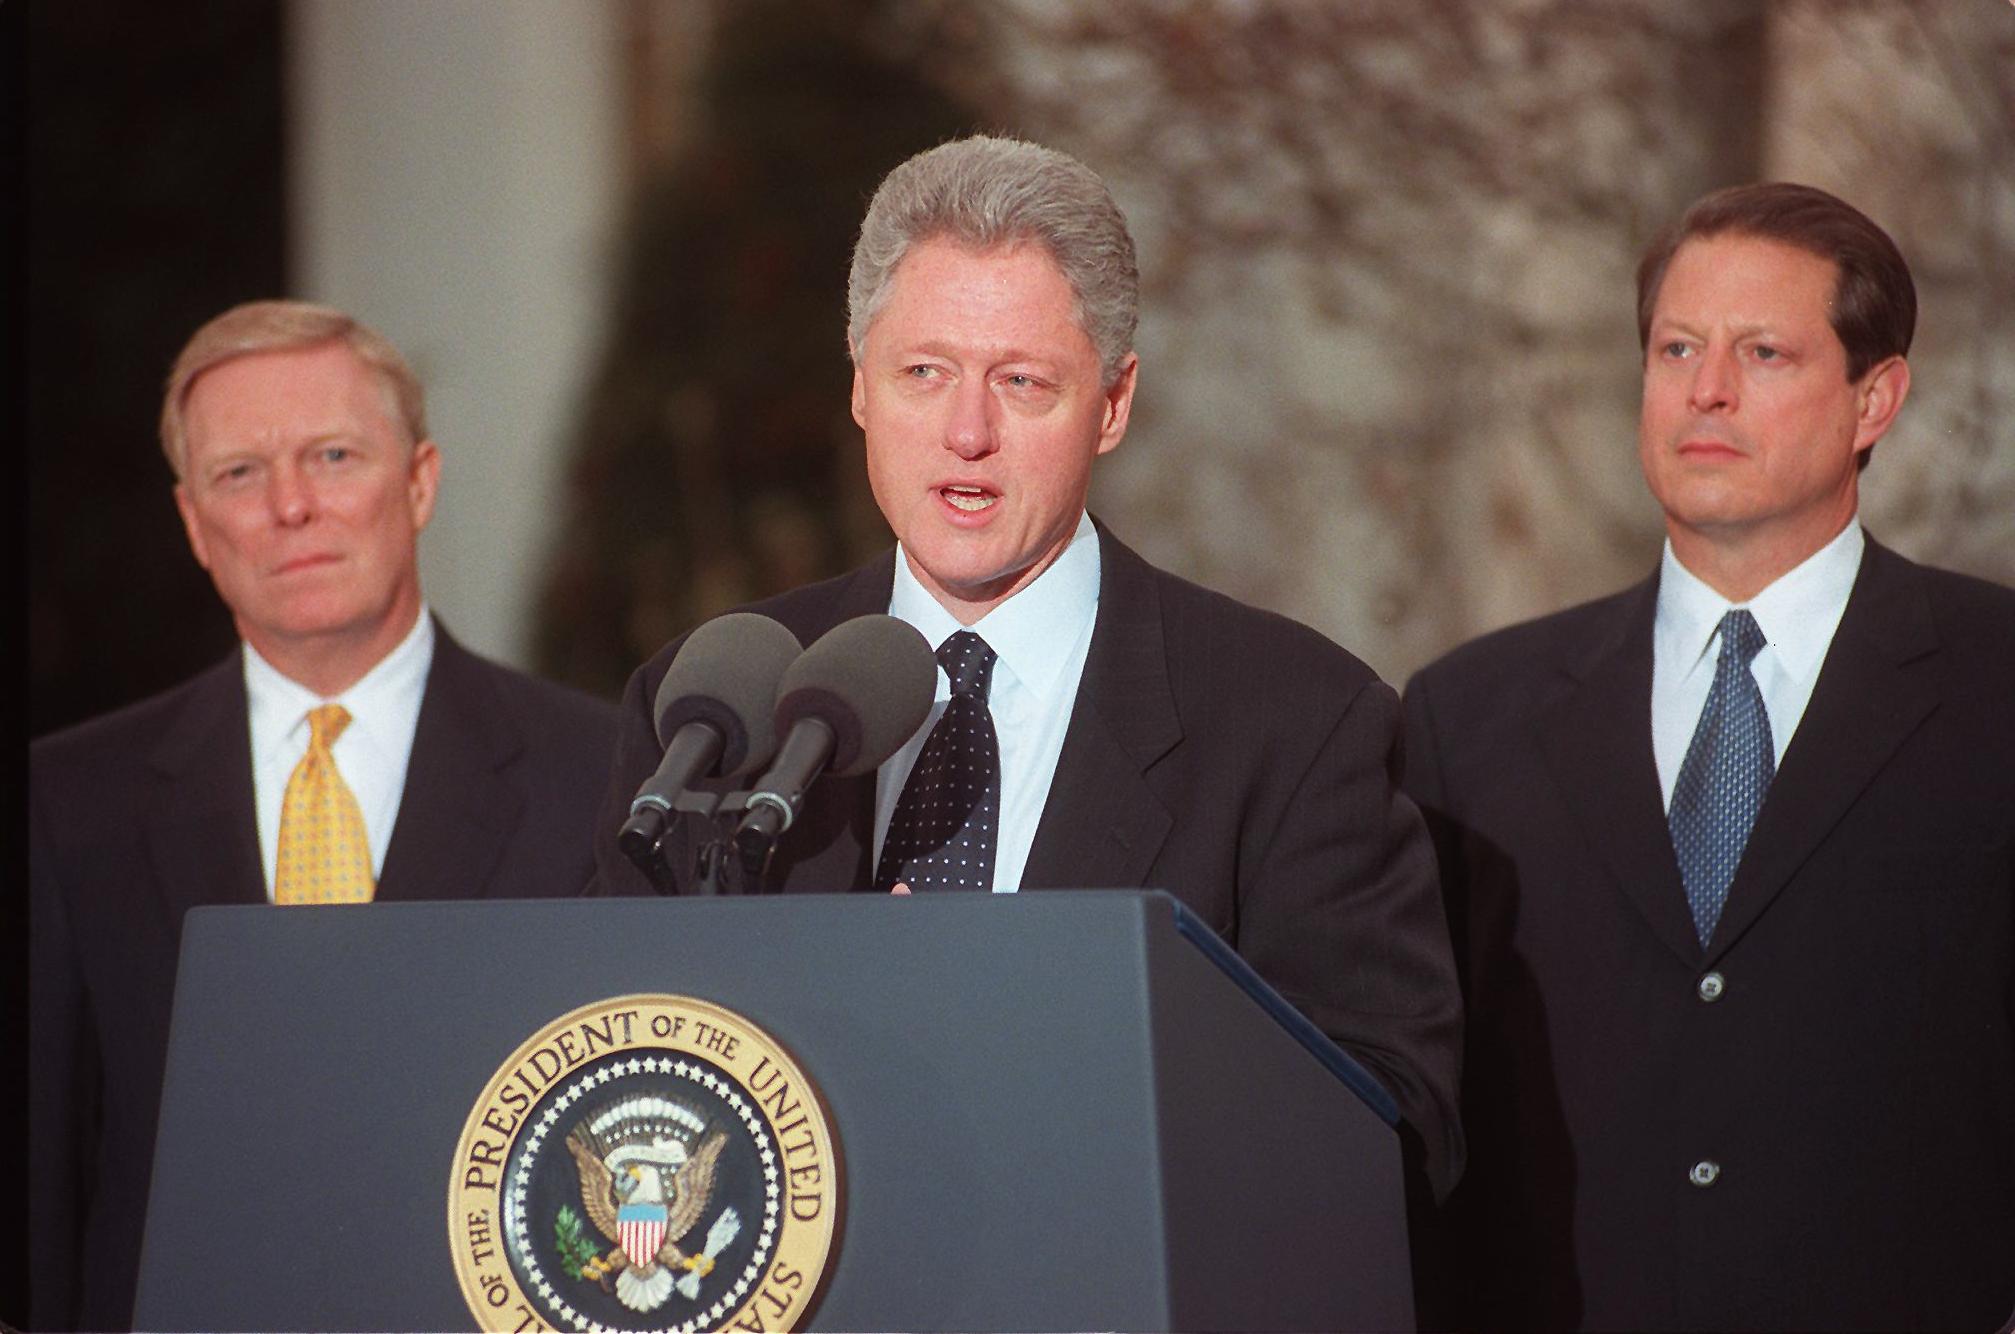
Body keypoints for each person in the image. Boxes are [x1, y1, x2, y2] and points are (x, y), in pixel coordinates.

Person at [594, 134, 1463, 1210]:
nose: (967, 432)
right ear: (860, 386)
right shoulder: (713, 705)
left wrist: (1026, 1039)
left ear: (1112, 402)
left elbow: (1387, 1119)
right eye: (923, 374)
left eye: (1021, 382)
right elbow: (607, 1063)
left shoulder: (1294, 720)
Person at [1402, 183, 2015, 1329]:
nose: (1706, 389)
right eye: (1675, 346)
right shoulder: (1464, 717)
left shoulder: (1995, 688)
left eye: (1763, 352)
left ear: (1872, 397)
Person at [28, 300, 619, 1331]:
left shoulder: (599, 771)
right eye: (238, 473)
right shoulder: (71, 802)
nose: (289, 505)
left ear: (420, 480)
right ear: (192, 521)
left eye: (333, 454)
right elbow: (44, 1179)